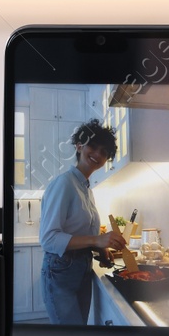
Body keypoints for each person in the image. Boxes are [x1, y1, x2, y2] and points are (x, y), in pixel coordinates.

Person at [38, 118, 126, 325]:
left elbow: (81, 234)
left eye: (104, 152)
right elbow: (49, 239)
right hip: (61, 269)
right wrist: (97, 241)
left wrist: (102, 251)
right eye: (93, 146)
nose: (97, 154)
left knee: (78, 332)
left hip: (81, 266)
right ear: (79, 146)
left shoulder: (86, 188)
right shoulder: (64, 183)